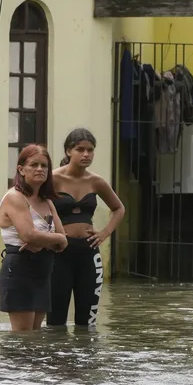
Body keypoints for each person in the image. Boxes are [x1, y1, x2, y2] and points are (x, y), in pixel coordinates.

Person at [48, 128, 126, 328]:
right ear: (68, 151)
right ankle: (56, 359)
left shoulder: (96, 181)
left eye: (90, 150)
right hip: (59, 253)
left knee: (87, 322)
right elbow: (32, 205)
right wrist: (46, 235)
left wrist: (105, 232)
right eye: (80, 149)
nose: (86, 154)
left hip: (88, 253)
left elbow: (118, 209)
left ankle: (88, 359)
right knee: (55, 321)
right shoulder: (52, 179)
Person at [0, 145, 70, 332]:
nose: (40, 169)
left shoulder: (47, 201)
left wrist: (44, 240)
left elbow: (63, 239)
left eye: (44, 165)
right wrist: (51, 240)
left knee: (36, 336)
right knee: (23, 337)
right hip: (20, 267)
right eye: (34, 164)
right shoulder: (15, 197)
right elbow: (28, 234)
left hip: (43, 269)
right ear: (21, 169)